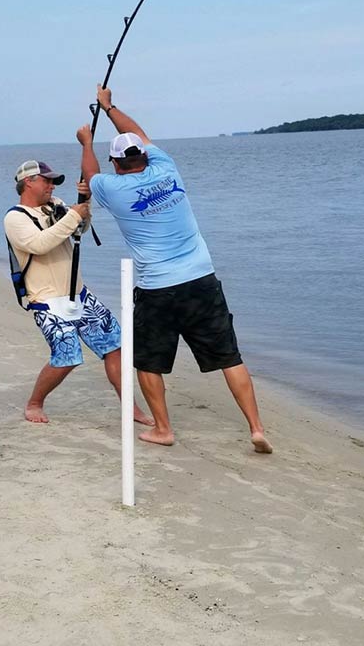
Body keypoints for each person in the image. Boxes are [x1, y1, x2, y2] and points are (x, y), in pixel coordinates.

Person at [77, 85, 273, 454]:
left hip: (158, 288)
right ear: (145, 157)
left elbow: (90, 177)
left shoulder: (112, 188)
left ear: (117, 164)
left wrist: (87, 141)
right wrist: (110, 107)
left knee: (148, 362)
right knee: (229, 356)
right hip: (201, 279)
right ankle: (257, 427)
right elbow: (141, 135)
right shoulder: (166, 166)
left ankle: (164, 428)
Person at [4, 160, 154, 425]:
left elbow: (78, 230)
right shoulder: (15, 218)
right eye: (46, 181)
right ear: (28, 182)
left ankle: (131, 408)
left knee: (115, 347)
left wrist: (85, 205)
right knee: (67, 358)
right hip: (47, 302)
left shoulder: (56, 205)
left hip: (80, 294)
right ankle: (35, 402)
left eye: (53, 182)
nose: (51, 186)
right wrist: (75, 214)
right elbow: (40, 244)